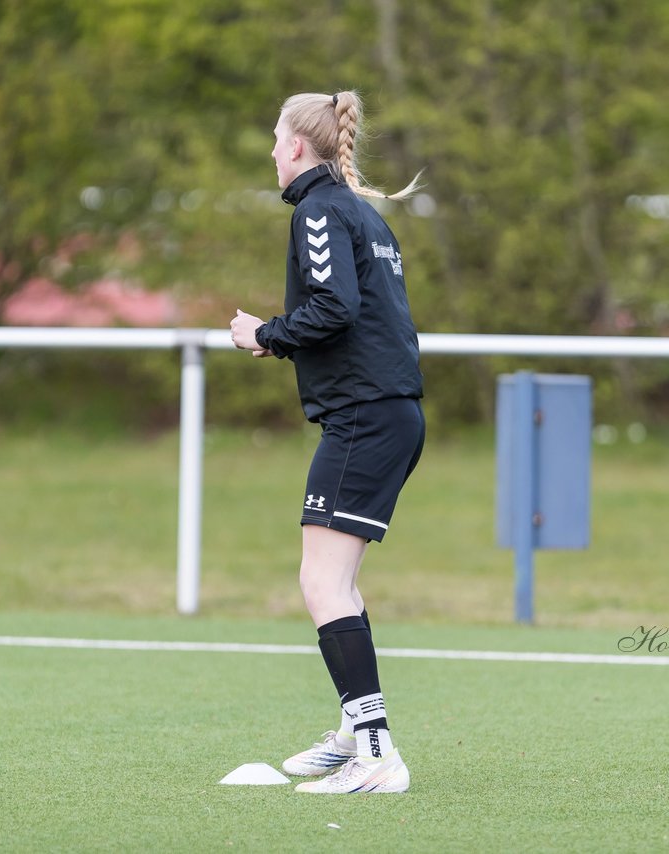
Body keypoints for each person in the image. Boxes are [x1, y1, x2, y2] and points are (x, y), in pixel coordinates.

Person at [229, 90, 424, 795]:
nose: (271, 150)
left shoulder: (318, 209)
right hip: (389, 413)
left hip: (364, 417)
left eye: (275, 137)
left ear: (296, 147)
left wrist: (265, 336)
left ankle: (377, 755)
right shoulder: (363, 214)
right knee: (335, 579)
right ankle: (354, 734)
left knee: (320, 581)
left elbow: (334, 308)